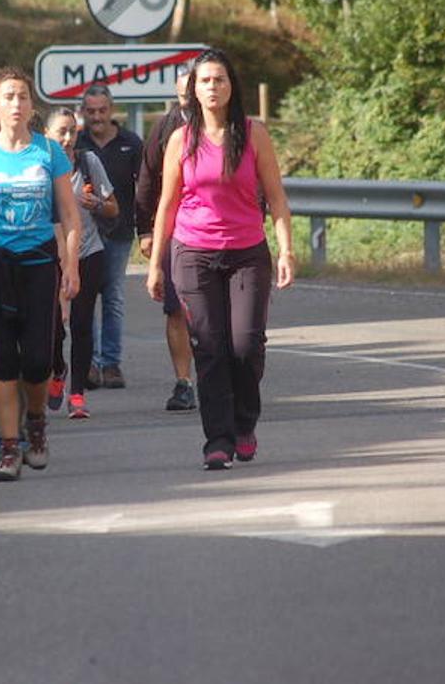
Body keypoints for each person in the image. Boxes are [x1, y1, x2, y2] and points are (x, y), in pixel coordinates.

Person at [146, 48, 295, 470]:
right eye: (205, 80)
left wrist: (286, 249)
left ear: (232, 87)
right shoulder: (181, 139)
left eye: (220, 80)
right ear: (193, 89)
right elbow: (167, 206)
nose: (212, 87)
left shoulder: (253, 134)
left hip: (247, 252)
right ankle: (219, 439)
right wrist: (156, 263)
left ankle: (245, 422)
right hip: (193, 253)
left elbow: (278, 199)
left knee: (245, 346)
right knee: (209, 349)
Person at [0, 67, 80, 482]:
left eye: (23, 96)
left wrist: (72, 266)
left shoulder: (48, 152)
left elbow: (69, 215)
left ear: (31, 105)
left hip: (40, 263)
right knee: (3, 358)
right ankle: (9, 448)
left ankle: (37, 422)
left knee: (39, 360)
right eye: (8, 96)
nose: (16, 104)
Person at [44, 107, 118, 420]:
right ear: (46, 134)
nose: (66, 138)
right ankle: (57, 369)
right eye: (60, 131)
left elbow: (114, 208)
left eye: (72, 131)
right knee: (51, 328)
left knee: (82, 325)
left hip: (88, 252)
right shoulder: (37, 167)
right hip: (49, 256)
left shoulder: (88, 162)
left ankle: (77, 394)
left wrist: (98, 204)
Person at [136, 67, 197, 412]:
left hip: (218, 233)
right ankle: (184, 382)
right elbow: (146, 179)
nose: (186, 95)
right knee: (176, 310)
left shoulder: (229, 128)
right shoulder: (165, 127)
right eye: (181, 90)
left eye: (192, 87)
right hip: (174, 232)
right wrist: (144, 230)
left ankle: (221, 377)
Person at [76, 84, 143, 390]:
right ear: (83, 113)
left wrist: (145, 230)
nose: (97, 117)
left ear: (111, 110)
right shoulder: (76, 144)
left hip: (118, 233)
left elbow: (144, 190)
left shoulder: (131, 143)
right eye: (90, 111)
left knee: (113, 296)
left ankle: (111, 363)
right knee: (85, 298)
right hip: (83, 233)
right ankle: (88, 362)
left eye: (102, 110)